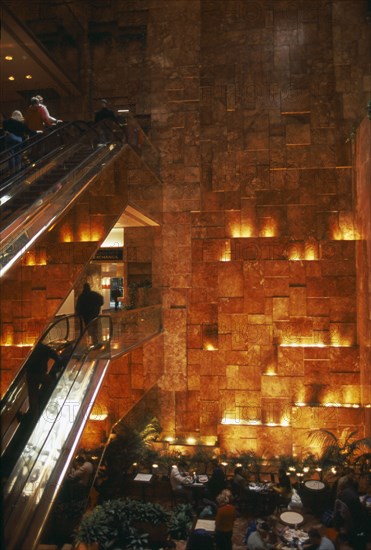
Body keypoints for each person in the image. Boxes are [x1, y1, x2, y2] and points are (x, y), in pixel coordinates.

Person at [25, 342, 62, 417]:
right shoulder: (45, 348)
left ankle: (33, 415)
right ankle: (42, 397)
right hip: (41, 373)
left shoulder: (29, 349)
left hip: (30, 374)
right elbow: (58, 358)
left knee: (32, 395)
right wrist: (57, 369)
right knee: (50, 383)